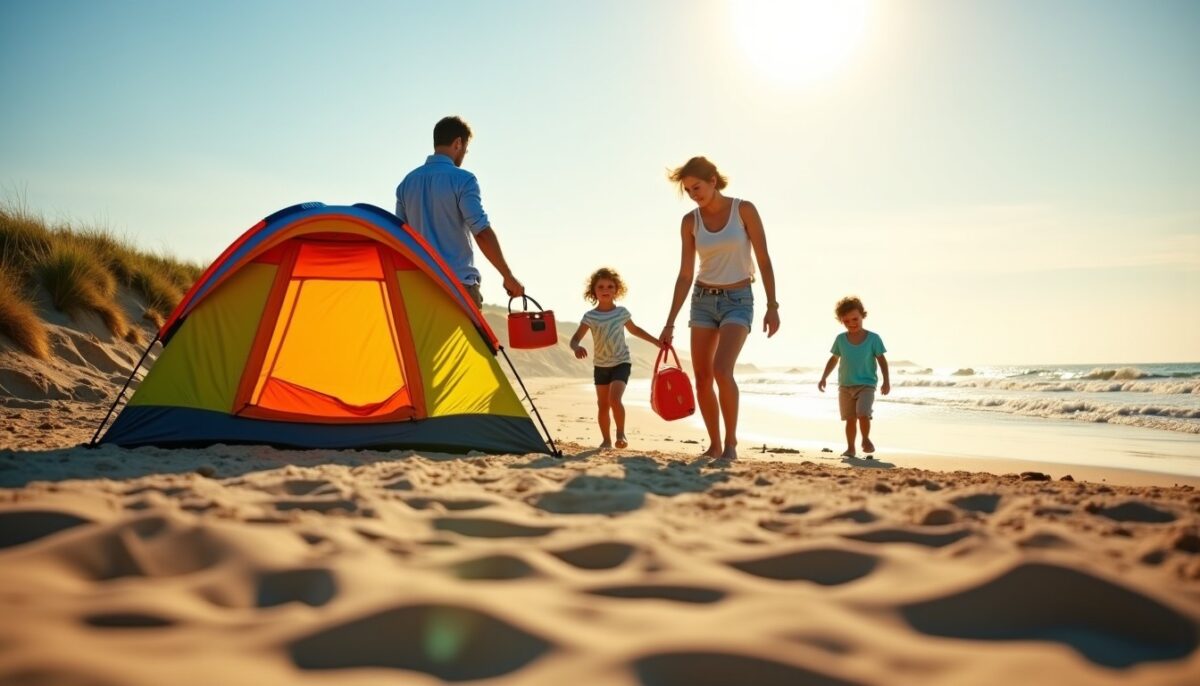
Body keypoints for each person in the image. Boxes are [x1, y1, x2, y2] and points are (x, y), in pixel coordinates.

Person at [659, 157, 779, 460]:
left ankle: (731, 444)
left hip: (738, 300)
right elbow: (686, 274)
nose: (693, 194)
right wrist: (670, 321)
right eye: (687, 190)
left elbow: (763, 259)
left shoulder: (744, 210)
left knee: (722, 370)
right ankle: (713, 444)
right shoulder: (690, 222)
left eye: (696, 187)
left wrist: (772, 305)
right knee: (701, 377)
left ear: (713, 180)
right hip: (702, 301)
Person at [395, 115, 524, 307]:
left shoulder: (406, 184)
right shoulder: (463, 180)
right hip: (457, 286)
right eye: (465, 149)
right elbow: (480, 232)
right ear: (458, 143)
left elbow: (400, 237)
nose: (464, 153)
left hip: (419, 287)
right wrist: (508, 276)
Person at [569, 267, 661, 450]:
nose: (605, 290)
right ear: (593, 291)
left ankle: (620, 433)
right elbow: (574, 339)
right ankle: (606, 440)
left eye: (610, 286)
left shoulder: (621, 313)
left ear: (617, 290)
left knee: (614, 399)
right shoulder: (590, 316)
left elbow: (635, 330)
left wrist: (656, 342)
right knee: (602, 405)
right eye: (601, 286)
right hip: (601, 366)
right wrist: (576, 347)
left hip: (621, 362)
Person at [818, 296, 890, 458]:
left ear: (862, 315)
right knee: (850, 419)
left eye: (855, 319)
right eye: (846, 321)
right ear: (841, 321)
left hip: (866, 385)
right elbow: (834, 359)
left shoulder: (873, 339)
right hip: (845, 386)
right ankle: (850, 448)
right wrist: (824, 377)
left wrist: (886, 381)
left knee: (863, 413)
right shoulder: (840, 339)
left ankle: (865, 439)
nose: (851, 323)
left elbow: (882, 360)